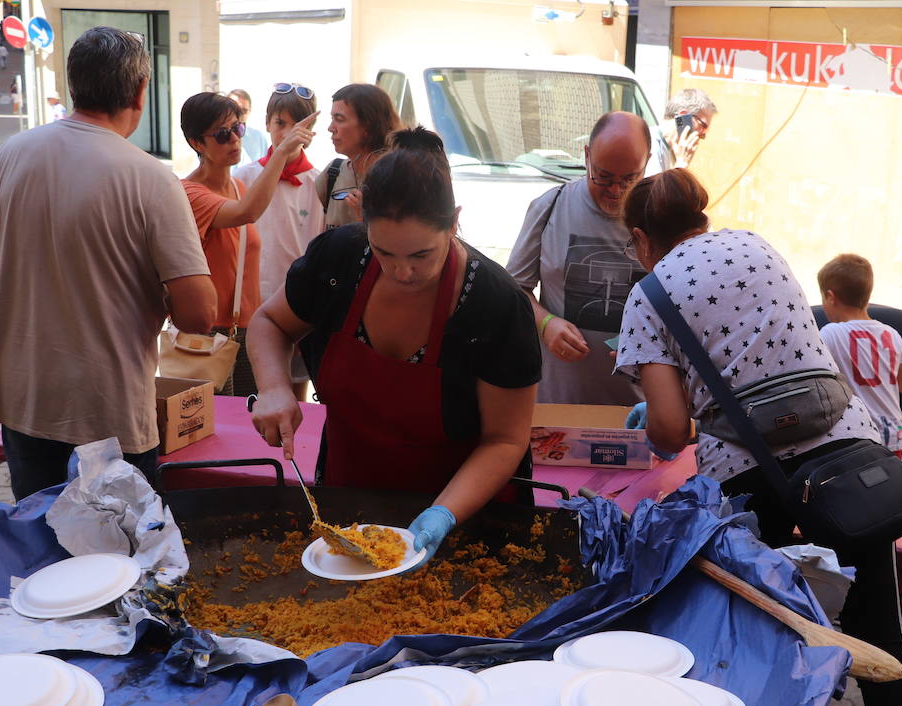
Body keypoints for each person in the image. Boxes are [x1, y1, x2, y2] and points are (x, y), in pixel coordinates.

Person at [615, 168, 902, 706]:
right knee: (884, 647)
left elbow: (673, 433)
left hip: (753, 483)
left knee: (753, 657)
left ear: (642, 239)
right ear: (702, 218)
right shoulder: (757, 246)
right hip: (850, 467)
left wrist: (656, 411)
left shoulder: (648, 294)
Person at [0, 26, 216, 501]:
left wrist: (35, 294)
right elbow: (199, 315)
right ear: (139, 91)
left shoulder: (11, 155)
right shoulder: (151, 179)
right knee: (123, 560)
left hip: (27, 400)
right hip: (109, 409)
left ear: (74, 84)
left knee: (44, 551)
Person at [248, 127, 541, 560]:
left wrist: (444, 512)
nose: (402, 272)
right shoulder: (339, 261)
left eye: (421, 255)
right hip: (351, 498)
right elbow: (270, 321)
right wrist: (273, 387)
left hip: (464, 517)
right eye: (385, 252)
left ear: (454, 222)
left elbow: (505, 439)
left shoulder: (495, 304)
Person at [506, 111, 649, 406]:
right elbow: (513, 290)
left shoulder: (659, 217)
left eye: (629, 179)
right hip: (559, 403)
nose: (616, 191)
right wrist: (546, 324)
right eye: (603, 176)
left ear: (647, 161)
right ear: (586, 155)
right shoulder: (550, 208)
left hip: (637, 410)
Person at [179, 91, 316, 396]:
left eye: (238, 129)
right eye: (223, 134)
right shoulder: (189, 192)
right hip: (210, 331)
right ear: (196, 143)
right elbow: (247, 213)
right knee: (216, 427)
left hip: (247, 330)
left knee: (247, 425)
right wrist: (281, 154)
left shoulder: (240, 186)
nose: (234, 140)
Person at [236, 83, 326, 397]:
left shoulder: (318, 185)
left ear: (311, 130)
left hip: (295, 309)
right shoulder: (245, 179)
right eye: (280, 123)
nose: (287, 133)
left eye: (296, 125)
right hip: (250, 307)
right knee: (251, 393)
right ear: (266, 124)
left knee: (296, 396)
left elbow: (316, 253)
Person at [818, 254, 902, 456]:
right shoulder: (892, 334)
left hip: (860, 435)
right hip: (893, 435)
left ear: (830, 296)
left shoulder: (830, 333)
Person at [317, 83, 401, 231]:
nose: (330, 128)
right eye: (332, 118)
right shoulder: (331, 174)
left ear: (367, 127)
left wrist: (367, 219)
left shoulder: (397, 175)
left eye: (339, 119)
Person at [648, 87, 716, 173]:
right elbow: (657, 187)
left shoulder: (673, 151)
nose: (703, 136)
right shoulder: (650, 146)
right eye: (703, 125)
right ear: (683, 117)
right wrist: (681, 165)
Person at [226, 88, 268, 168]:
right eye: (234, 109)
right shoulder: (218, 137)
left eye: (243, 110)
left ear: (249, 111)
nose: (239, 115)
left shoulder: (258, 137)